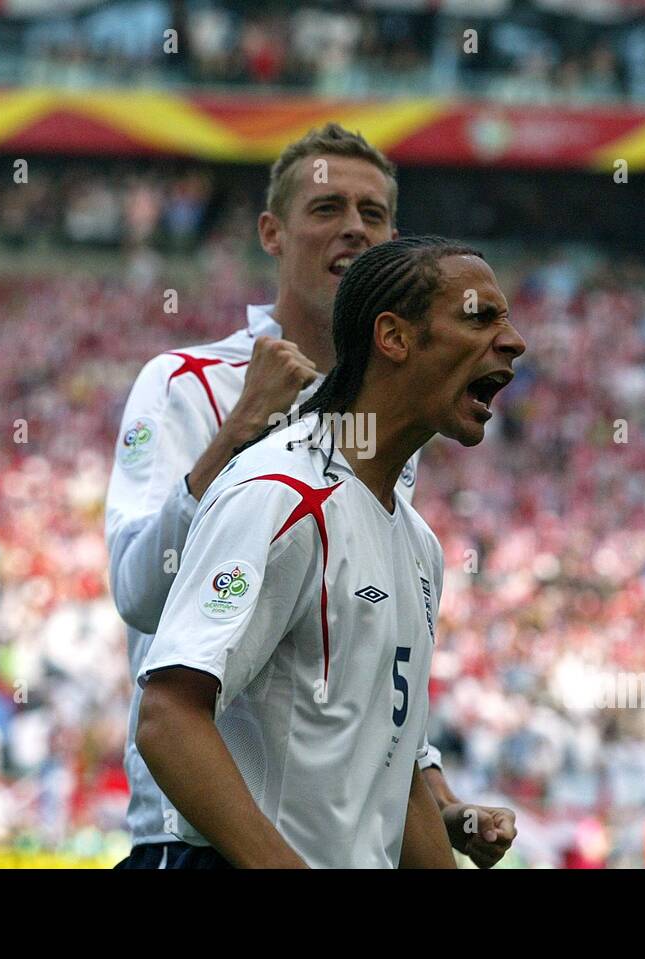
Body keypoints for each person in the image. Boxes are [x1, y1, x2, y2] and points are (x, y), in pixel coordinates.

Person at [107, 125, 515, 868]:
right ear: (272, 231)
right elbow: (137, 594)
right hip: (191, 827)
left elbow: (353, 668)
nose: (354, 227)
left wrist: (437, 804)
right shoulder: (189, 385)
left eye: (374, 214)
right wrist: (237, 432)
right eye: (328, 207)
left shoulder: (388, 448)